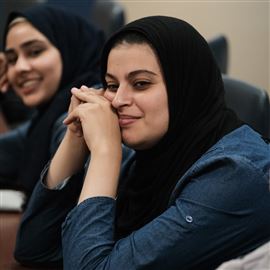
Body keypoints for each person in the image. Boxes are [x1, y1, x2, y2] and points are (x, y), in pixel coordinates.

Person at [14, 16, 270, 269]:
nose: (117, 100)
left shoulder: (234, 177)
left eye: (141, 84)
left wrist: (105, 154)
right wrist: (75, 136)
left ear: (185, 88)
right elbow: (34, 248)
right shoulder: (146, 154)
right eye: (112, 85)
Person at [0, 5, 105, 202]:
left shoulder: (78, 113)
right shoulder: (46, 117)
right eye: (12, 60)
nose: (20, 67)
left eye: (35, 51)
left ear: (69, 48)